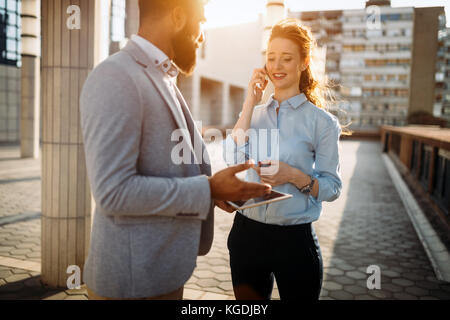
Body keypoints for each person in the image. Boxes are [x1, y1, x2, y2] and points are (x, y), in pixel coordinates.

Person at [80, 0, 271, 300]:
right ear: (179, 17)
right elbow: (112, 192)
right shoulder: (116, 76)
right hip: (131, 284)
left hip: (161, 274)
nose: (203, 35)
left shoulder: (162, 76)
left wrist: (217, 191)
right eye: (202, 21)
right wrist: (206, 190)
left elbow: (165, 166)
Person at [223, 19, 343, 300]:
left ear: (303, 62)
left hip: (295, 241)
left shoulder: (322, 123)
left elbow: (332, 188)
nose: (277, 66)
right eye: (271, 58)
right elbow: (231, 158)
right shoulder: (254, 114)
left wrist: (293, 176)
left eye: (286, 58)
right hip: (246, 235)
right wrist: (250, 102)